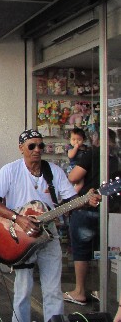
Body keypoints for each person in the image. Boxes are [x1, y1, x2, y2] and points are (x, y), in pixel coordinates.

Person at [0, 129, 100, 322]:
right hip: (19, 237)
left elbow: (68, 202)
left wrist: (86, 201)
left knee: (53, 290)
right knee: (24, 288)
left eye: (41, 146)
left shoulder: (53, 172)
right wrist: (18, 218)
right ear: (21, 148)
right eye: (32, 146)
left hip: (49, 237)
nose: (37, 150)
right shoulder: (11, 170)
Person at [65, 128, 118, 306]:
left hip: (87, 208)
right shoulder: (117, 158)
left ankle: (80, 290)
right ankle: (102, 289)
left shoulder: (92, 154)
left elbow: (73, 177)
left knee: (81, 251)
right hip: (111, 209)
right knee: (107, 250)